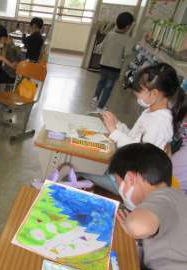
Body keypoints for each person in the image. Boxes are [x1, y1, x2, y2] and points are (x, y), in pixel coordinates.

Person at [80, 62, 187, 193]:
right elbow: (135, 138)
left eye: (139, 91)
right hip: (124, 170)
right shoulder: (151, 111)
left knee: (74, 168)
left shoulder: (160, 123)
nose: (136, 94)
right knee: (83, 161)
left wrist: (114, 132)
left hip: (131, 185)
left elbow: (138, 155)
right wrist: (118, 125)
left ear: (154, 94)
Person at [108, 142, 187, 270]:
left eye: (118, 183)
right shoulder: (176, 196)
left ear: (130, 178)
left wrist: (131, 225)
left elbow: (138, 226)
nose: (119, 191)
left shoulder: (164, 198)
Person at [91, 12, 134, 112]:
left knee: (101, 81)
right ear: (128, 26)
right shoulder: (127, 39)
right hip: (115, 67)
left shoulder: (110, 34)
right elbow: (127, 53)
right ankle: (100, 107)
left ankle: (95, 98)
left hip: (103, 64)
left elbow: (101, 48)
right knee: (108, 87)